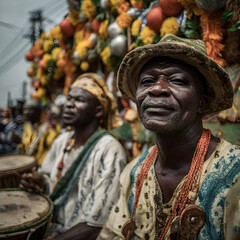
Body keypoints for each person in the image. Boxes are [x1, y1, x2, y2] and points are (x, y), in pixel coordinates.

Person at [97, 34, 240, 240]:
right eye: (147, 81)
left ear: (202, 102)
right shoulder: (134, 173)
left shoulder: (234, 175)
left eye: (178, 80)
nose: (157, 89)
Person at [20, 73, 127, 240]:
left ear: (98, 111)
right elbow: (48, 180)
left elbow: (96, 225)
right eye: (69, 98)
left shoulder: (109, 149)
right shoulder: (61, 141)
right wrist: (38, 182)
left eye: (80, 100)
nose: (69, 104)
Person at [18, 99, 60, 165]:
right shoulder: (27, 127)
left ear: (38, 112)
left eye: (30, 110)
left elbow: (52, 152)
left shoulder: (48, 129)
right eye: (24, 109)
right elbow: (25, 149)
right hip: (27, 165)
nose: (25, 112)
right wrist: (18, 142)